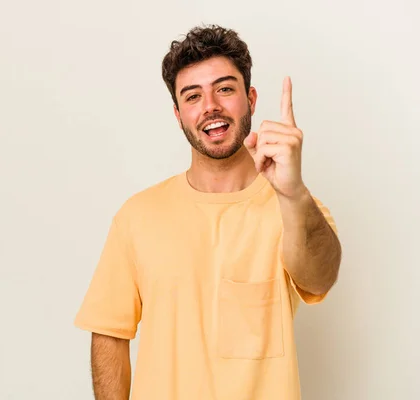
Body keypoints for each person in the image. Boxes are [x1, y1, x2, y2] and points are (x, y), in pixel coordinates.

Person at [74, 24, 342, 400]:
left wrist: (293, 192)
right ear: (178, 114)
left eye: (225, 88)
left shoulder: (295, 208)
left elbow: (320, 279)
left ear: (250, 98)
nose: (210, 106)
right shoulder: (137, 216)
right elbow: (109, 333)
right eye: (193, 96)